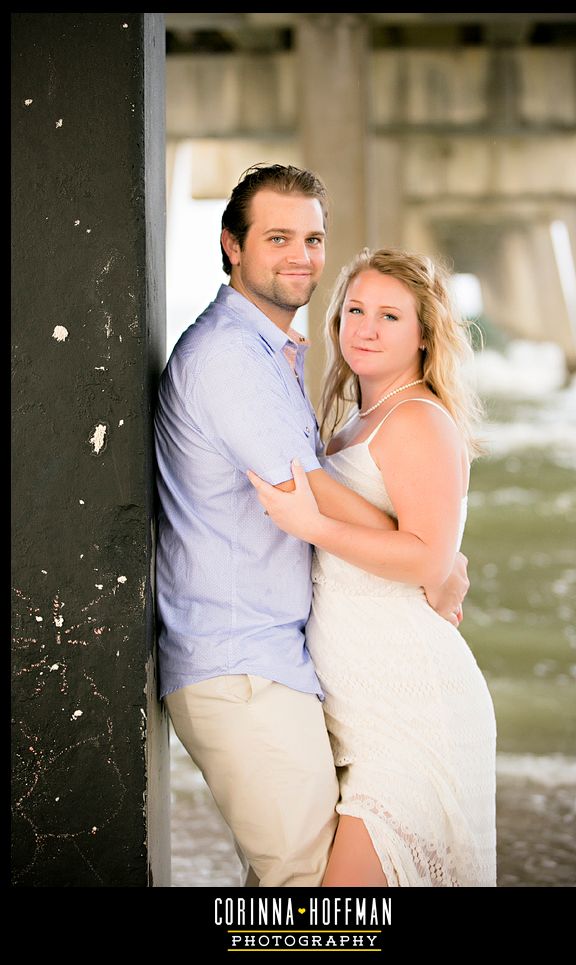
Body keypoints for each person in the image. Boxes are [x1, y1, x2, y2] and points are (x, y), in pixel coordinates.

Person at [154, 164, 470, 888]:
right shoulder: (233, 356)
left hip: (280, 664)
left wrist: (431, 550)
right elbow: (311, 492)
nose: (301, 254)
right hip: (242, 667)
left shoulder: (273, 354)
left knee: (302, 889)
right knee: (309, 897)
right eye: (278, 237)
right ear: (232, 245)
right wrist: (436, 557)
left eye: (313, 238)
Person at [248, 247, 497, 887]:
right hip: (360, 714)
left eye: (390, 316)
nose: (365, 327)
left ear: (422, 335)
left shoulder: (418, 419)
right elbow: (425, 547)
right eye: (355, 309)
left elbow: (427, 556)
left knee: (328, 923)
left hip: (412, 711)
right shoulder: (354, 425)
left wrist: (312, 525)